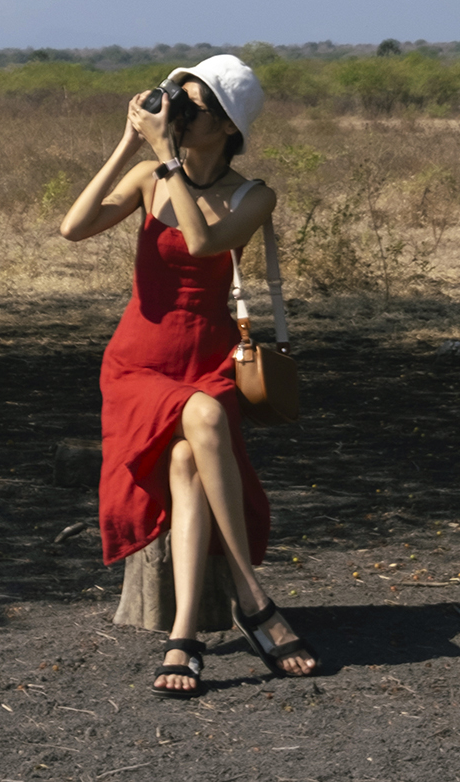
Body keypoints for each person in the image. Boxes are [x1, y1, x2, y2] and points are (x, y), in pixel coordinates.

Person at [60, 53, 316, 696]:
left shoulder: (255, 195)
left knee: (185, 462)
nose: (180, 110)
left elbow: (205, 244)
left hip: (207, 357)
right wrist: (129, 143)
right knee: (200, 420)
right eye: (178, 98)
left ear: (228, 126)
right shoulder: (150, 178)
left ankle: (184, 636)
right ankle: (255, 603)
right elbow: (73, 228)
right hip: (139, 362)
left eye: (195, 105)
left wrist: (168, 162)